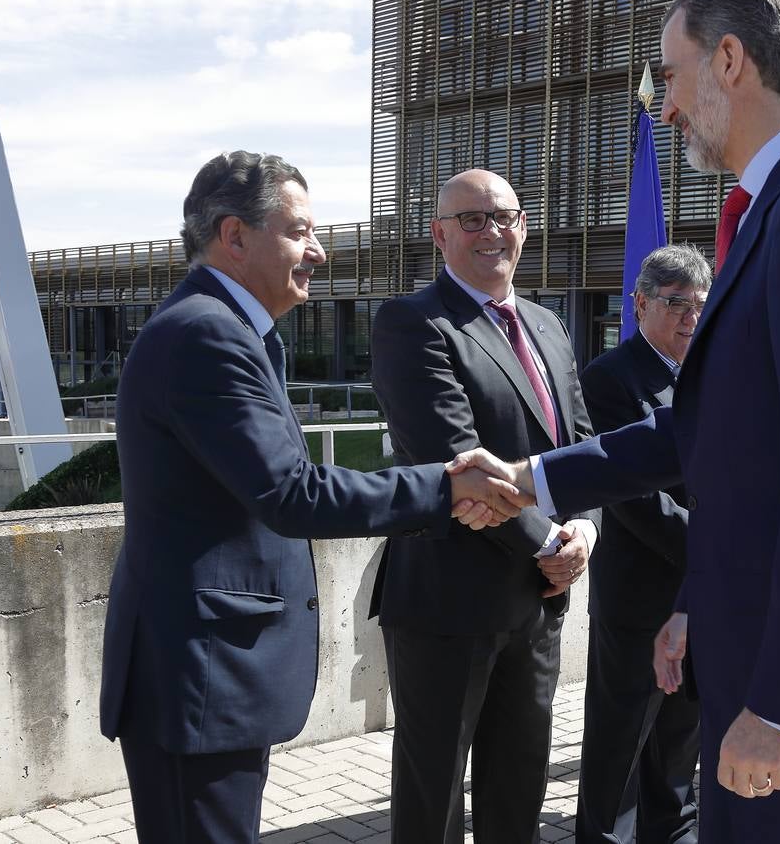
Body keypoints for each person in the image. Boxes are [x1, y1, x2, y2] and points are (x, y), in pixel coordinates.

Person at [458, 0, 780, 842]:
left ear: (730, 61)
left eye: (673, 76)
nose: (667, 105)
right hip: (758, 650)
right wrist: (535, 476)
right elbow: (716, 435)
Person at [98, 151, 527, 843]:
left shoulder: (227, 329)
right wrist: (447, 486)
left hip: (211, 673)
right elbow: (293, 493)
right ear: (234, 236)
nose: (318, 251)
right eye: (299, 231)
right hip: (200, 678)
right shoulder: (204, 334)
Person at [368, 168, 601, 842]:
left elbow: (583, 449)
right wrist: (551, 545)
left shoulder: (549, 326)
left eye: (504, 215)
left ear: (523, 227)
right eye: (471, 219)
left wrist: (586, 527)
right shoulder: (412, 323)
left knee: (518, 787)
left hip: (537, 602)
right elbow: (459, 460)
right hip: (446, 604)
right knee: (433, 794)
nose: (491, 230)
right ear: (440, 235)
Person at [575, 244, 710, 844]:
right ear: (640, 305)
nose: (689, 317)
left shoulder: (709, 372)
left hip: (700, 592)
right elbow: (631, 496)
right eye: (675, 303)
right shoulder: (611, 378)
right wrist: (715, 550)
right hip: (641, 596)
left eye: (698, 305)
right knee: (623, 741)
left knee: (681, 741)